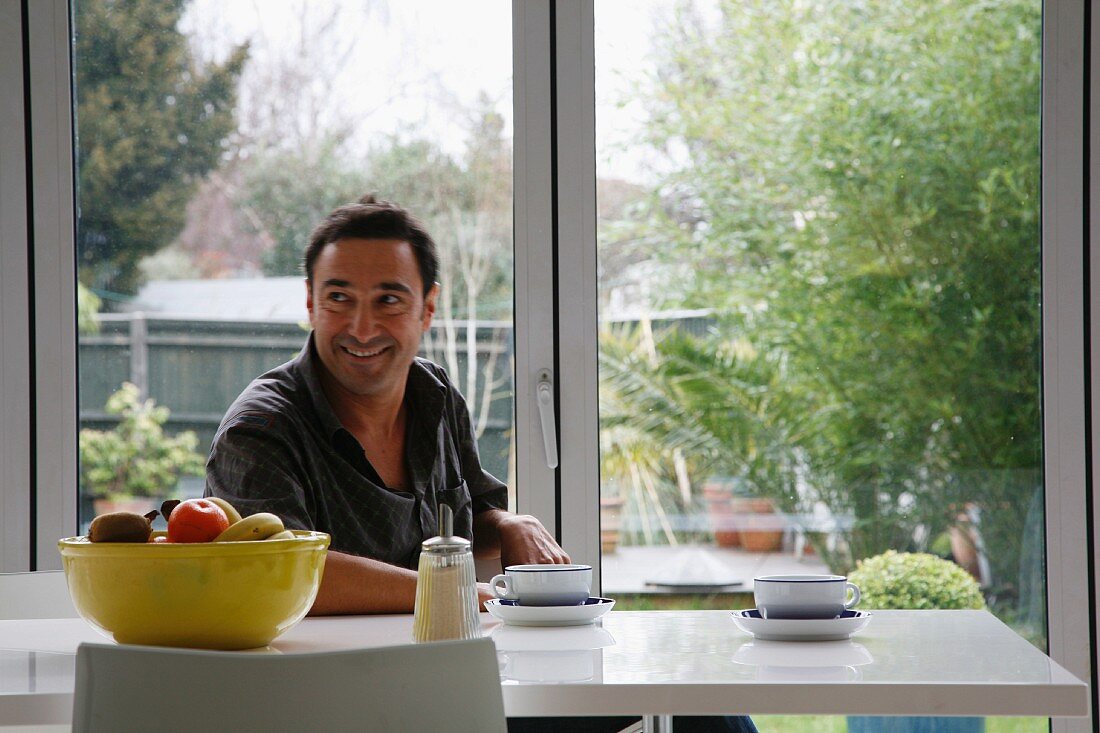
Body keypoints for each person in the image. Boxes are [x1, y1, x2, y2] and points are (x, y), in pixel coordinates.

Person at [205, 195, 756, 733]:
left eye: (389, 300)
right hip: (334, 706)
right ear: (310, 303)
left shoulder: (434, 394)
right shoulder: (261, 429)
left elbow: (471, 518)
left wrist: (510, 523)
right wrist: (462, 592)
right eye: (339, 298)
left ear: (428, 307)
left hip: (452, 685)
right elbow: (279, 575)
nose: (362, 327)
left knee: (692, 699)